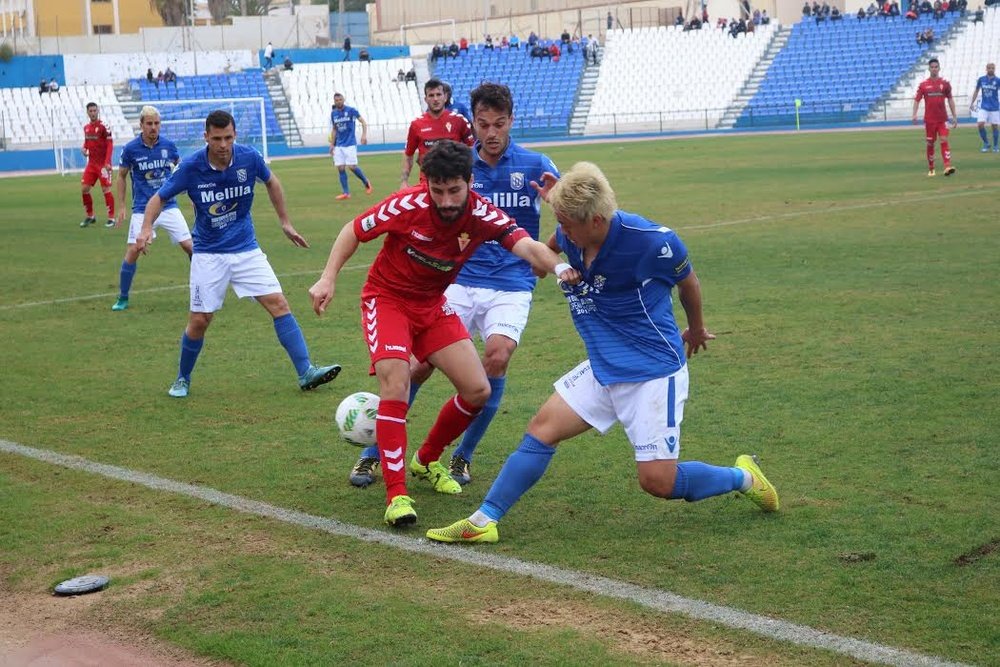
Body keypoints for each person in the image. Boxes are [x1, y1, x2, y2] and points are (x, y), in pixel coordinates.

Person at [426, 161, 780, 545]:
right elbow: (551, 245)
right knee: (541, 431)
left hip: (652, 373)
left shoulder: (651, 242)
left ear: (596, 221)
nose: (562, 231)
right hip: (603, 366)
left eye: (568, 224)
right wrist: (544, 263)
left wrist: (694, 329)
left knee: (658, 482)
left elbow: (688, 282)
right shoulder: (571, 234)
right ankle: (483, 520)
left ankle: (743, 477)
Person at [308, 140, 578, 526]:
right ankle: (396, 494)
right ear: (427, 184)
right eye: (438, 191)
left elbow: (528, 246)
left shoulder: (482, 213)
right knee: (397, 383)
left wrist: (559, 269)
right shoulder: (407, 206)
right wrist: (327, 278)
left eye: (455, 190)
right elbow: (352, 230)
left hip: (432, 305)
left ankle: (426, 459)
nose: (447, 200)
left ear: (470, 181)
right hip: (387, 300)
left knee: (478, 390)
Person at [348, 82, 560, 489]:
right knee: (417, 368)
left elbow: (574, 217)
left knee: (496, 358)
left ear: (511, 121)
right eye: (483, 124)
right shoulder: (458, 170)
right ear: (473, 125)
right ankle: (372, 454)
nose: (492, 132)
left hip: (511, 283)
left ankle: (461, 455)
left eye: (500, 124)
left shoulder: (537, 165)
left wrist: (553, 220)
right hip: (457, 279)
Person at [135, 110, 342, 398]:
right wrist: (145, 228)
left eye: (228, 137)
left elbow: (272, 182)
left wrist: (285, 222)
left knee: (279, 304)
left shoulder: (249, 158)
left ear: (235, 136)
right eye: (217, 138)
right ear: (206, 137)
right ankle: (182, 378)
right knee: (199, 321)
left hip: (246, 249)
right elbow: (158, 198)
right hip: (208, 254)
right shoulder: (191, 166)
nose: (223, 144)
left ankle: (306, 371)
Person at [111, 105, 192, 312]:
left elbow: (182, 171)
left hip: (168, 205)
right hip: (142, 209)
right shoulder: (131, 149)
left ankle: (202, 289)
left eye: (157, 123)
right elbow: (121, 176)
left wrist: (193, 196)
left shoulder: (169, 146)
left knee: (191, 247)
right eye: (149, 124)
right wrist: (121, 206)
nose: (154, 127)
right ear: (141, 125)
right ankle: (123, 297)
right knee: (133, 250)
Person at [400, 78, 474, 188]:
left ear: (445, 97)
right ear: (425, 99)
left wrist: (470, 175)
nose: (435, 99)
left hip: (454, 184)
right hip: (427, 185)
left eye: (438, 94)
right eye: (431, 95)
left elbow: (472, 149)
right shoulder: (417, 125)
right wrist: (404, 181)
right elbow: (408, 155)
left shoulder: (459, 121)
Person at [912, 58, 958, 177]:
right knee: (930, 144)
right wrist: (914, 114)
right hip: (930, 120)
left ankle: (947, 166)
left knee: (944, 140)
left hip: (943, 119)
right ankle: (931, 168)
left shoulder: (945, 84)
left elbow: (950, 99)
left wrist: (954, 116)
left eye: (936, 67)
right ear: (929, 69)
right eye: (932, 67)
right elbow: (917, 100)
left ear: (939, 68)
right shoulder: (923, 85)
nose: (934, 69)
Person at [329, 92, 372, 201]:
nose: (338, 102)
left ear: (343, 100)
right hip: (339, 145)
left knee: (352, 167)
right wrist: (332, 144)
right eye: (336, 100)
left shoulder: (351, 110)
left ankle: (366, 182)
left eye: (340, 100)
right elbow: (334, 129)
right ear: (334, 102)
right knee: (340, 168)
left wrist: (364, 135)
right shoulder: (333, 113)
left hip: (350, 143)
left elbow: (363, 122)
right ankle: (346, 193)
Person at [79, 102, 115, 229]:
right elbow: (87, 143)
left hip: (103, 165)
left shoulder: (104, 126)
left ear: (98, 111)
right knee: (84, 189)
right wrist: (84, 149)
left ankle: (111, 218)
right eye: (91, 111)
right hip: (92, 164)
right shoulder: (86, 128)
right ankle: (90, 216)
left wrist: (107, 162)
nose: (93, 113)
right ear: (87, 112)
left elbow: (110, 144)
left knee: (106, 189)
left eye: (95, 110)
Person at [969, 62, 1000, 152]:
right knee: (980, 124)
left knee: (994, 126)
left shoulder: (998, 80)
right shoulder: (981, 79)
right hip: (984, 107)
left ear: (994, 69)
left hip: (994, 107)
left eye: (992, 68)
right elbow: (976, 90)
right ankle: (986, 143)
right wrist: (972, 102)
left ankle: (995, 146)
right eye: (989, 68)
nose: (991, 69)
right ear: (986, 69)